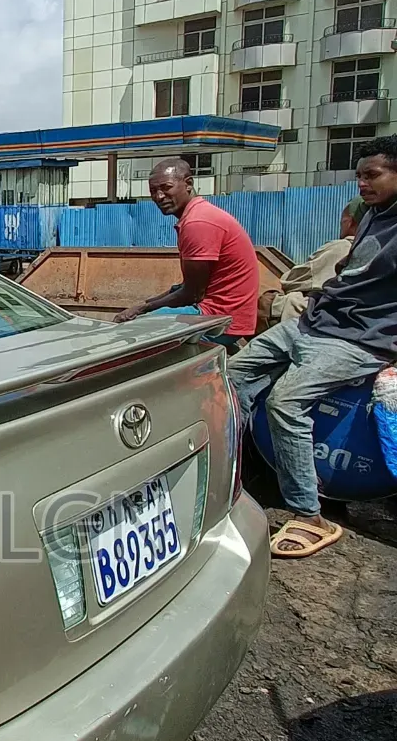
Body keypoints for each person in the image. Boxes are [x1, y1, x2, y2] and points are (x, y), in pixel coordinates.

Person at [229, 138, 397, 559]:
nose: (361, 183)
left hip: (360, 340)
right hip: (316, 324)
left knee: (285, 402)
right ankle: (233, 475)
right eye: (359, 175)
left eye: (371, 175)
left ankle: (309, 514)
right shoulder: (376, 214)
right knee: (231, 374)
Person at [113, 157, 258, 345]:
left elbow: (192, 294)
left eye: (166, 188)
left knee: (131, 331)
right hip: (225, 314)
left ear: (188, 184)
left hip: (218, 319)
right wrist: (146, 304)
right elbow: (187, 287)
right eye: (153, 191)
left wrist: (141, 309)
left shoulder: (197, 223)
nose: (159, 197)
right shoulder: (198, 215)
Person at [260, 197, 366, 329]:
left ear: (349, 222)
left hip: (324, 319)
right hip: (354, 321)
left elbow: (294, 281)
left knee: (264, 300)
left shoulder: (343, 247)